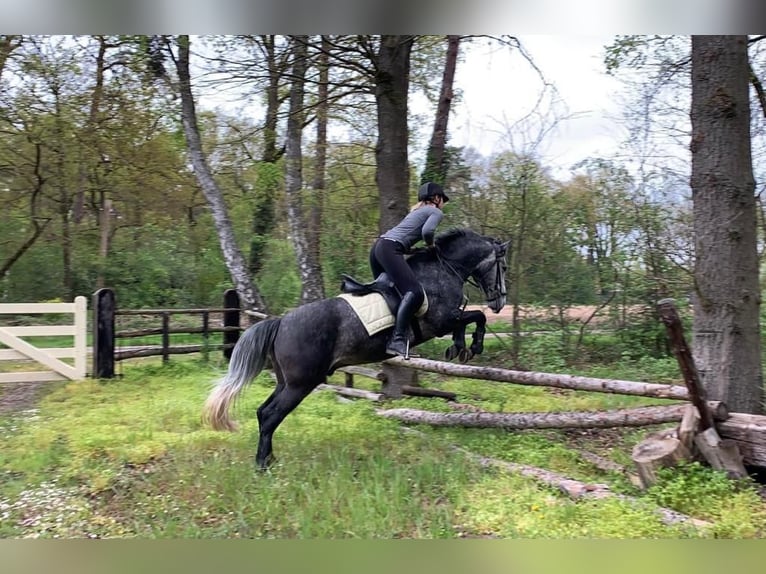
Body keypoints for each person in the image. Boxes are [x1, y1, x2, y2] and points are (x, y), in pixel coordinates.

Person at [369, 181, 450, 356]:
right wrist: (430, 246)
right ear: (436, 198)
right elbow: (428, 232)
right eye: (443, 199)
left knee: (393, 293)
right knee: (415, 293)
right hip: (389, 248)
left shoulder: (416, 212)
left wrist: (414, 250)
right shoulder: (435, 211)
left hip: (377, 249)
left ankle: (384, 336)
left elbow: (402, 239)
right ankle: (397, 341)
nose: (443, 203)